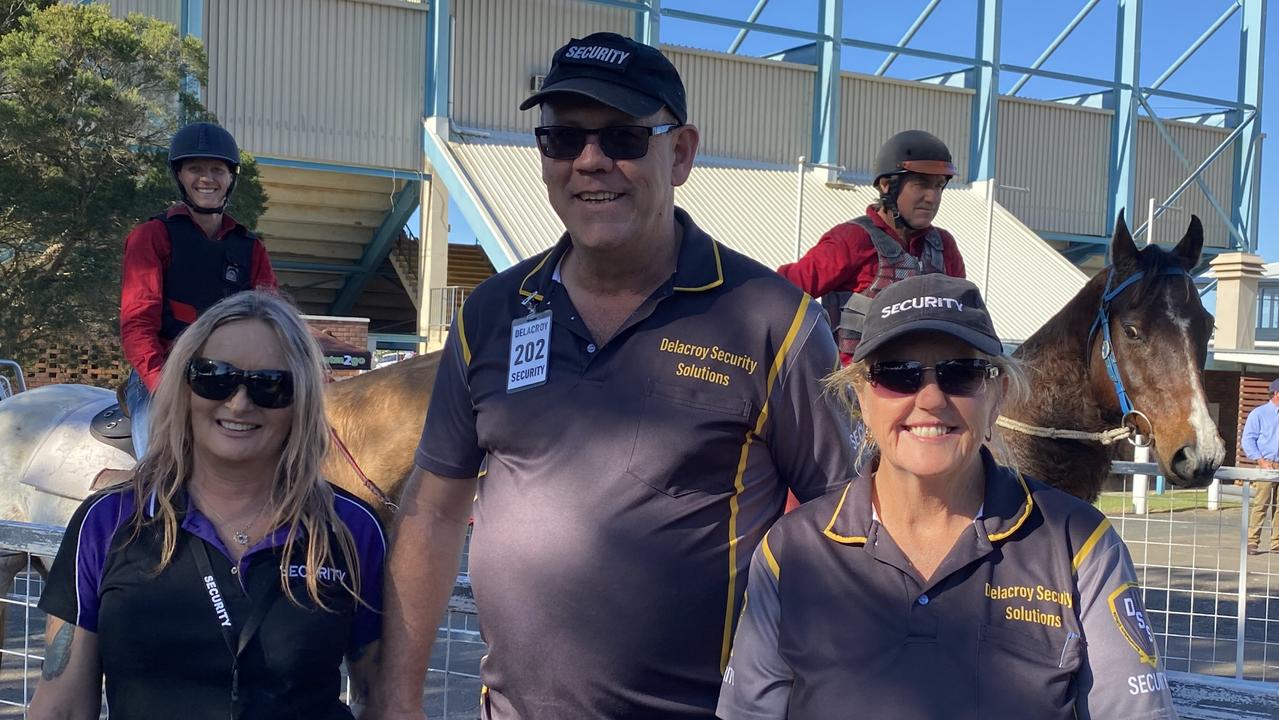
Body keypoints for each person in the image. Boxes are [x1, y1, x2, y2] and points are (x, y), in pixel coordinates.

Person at [371, 32, 852, 720]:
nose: (590, 162)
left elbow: (851, 527)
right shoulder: (493, 312)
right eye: (562, 140)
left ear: (680, 153)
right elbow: (433, 511)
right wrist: (397, 701)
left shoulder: (770, 321)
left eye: (623, 138)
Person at [718, 274, 1176, 720]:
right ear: (860, 396)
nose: (931, 398)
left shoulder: (1080, 545)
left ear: (997, 394)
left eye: (961, 373)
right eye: (898, 375)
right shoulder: (790, 551)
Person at [31, 290, 386, 720]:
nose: (238, 402)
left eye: (269, 385)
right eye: (213, 376)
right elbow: (61, 708)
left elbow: (381, 701)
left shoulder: (352, 528)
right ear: (184, 387)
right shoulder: (105, 522)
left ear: (302, 400)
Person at [121, 121, 278, 458]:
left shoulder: (251, 248)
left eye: (216, 169)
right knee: (166, 468)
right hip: (165, 375)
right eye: (195, 168)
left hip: (233, 379)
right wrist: (164, 386)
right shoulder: (151, 236)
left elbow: (273, 324)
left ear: (230, 178)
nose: (207, 178)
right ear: (180, 176)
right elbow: (138, 325)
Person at [777, 129, 966, 364]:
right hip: (854, 390)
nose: (932, 197)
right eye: (921, 184)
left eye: (938, 186)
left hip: (924, 383)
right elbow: (779, 295)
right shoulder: (851, 239)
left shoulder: (944, 246)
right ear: (887, 185)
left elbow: (965, 318)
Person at [1240, 378, 1279, 555]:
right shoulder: (1259, 414)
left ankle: (1276, 543)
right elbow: (1248, 439)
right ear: (1276, 393)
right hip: (1266, 466)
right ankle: (1252, 541)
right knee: (1260, 504)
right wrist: (1261, 460)